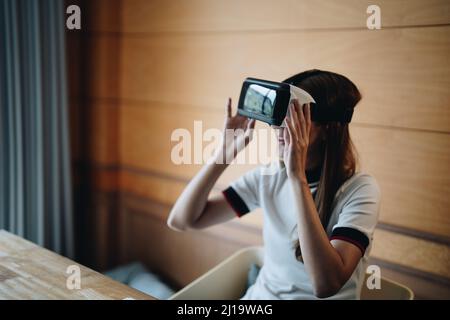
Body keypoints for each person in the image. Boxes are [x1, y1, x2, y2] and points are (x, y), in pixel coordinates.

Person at [167, 69, 381, 299]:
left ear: (327, 129)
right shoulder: (269, 176)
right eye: (279, 116)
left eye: (294, 118)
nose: (278, 127)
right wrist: (223, 154)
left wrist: (297, 178)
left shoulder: (360, 190)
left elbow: (325, 284)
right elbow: (182, 220)